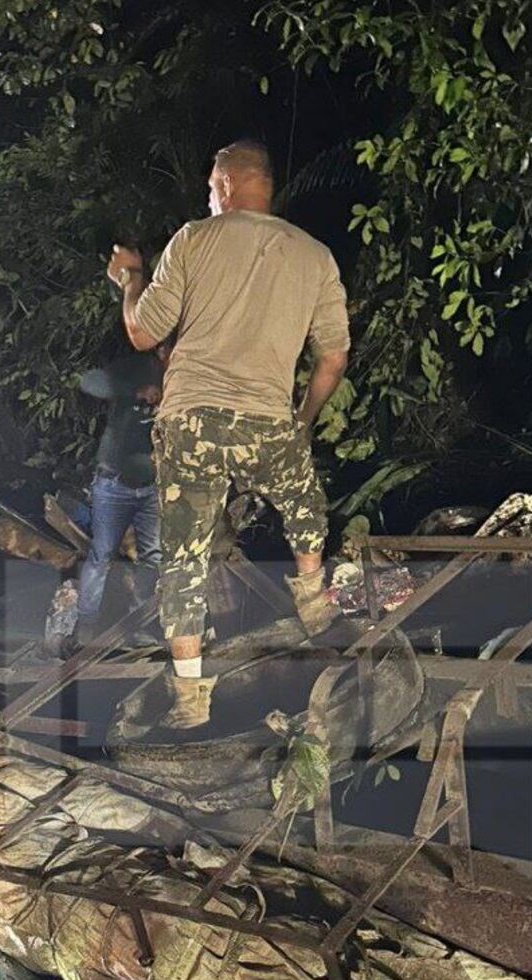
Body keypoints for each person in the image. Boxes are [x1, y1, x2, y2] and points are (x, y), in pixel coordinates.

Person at [106, 139, 351, 729]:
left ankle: (190, 696)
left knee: (184, 559)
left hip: (190, 423)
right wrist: (302, 421)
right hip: (266, 421)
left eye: (210, 185)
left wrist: (130, 279)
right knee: (301, 499)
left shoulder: (193, 239)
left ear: (226, 183)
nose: (206, 195)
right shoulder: (314, 256)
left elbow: (142, 333)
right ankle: (314, 597)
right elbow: (333, 360)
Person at [69, 345, 165, 650]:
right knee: (101, 555)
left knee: (152, 558)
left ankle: (138, 629)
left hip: (153, 489)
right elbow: (89, 382)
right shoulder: (136, 367)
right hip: (113, 485)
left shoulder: (187, 375)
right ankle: (85, 629)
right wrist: (135, 391)